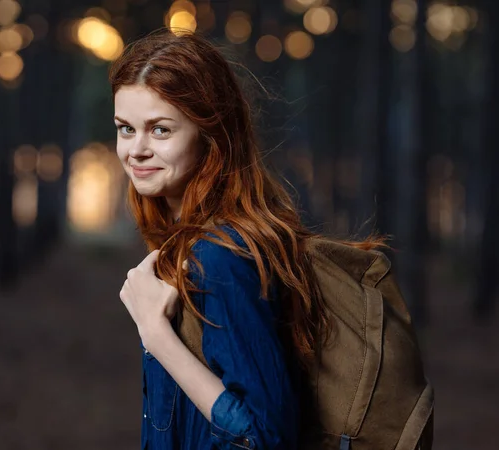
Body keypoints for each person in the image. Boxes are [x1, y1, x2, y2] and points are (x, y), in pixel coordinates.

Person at [110, 30, 378, 450]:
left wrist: (156, 334)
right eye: (126, 129)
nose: (135, 150)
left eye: (160, 130)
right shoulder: (193, 242)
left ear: (210, 134)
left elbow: (264, 438)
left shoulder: (220, 257)